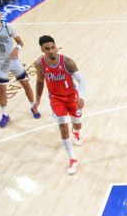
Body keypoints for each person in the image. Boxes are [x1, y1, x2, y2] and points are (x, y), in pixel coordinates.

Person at [32, 35, 86, 175]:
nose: (51, 51)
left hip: (72, 97)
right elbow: (39, 82)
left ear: (56, 47)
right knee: (62, 125)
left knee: (78, 124)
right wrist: (37, 100)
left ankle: (76, 131)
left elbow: (82, 81)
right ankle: (72, 158)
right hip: (56, 99)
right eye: (47, 49)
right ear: (42, 50)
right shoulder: (39, 64)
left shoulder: (67, 62)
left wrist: (82, 97)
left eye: (52, 47)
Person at [0, 7, 39, 128]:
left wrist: (17, 49)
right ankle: (5, 114)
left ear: (0, 15)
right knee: (1, 90)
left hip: (13, 61)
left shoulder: (8, 26)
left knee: (26, 84)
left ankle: (33, 107)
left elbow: (20, 42)